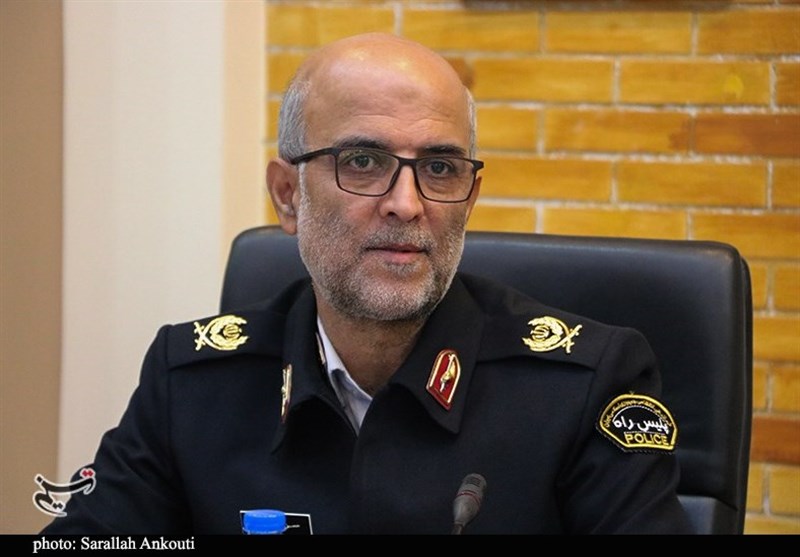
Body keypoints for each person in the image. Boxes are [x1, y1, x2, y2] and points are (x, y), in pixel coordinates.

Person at [41, 32, 694, 535]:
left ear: (469, 199)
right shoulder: (191, 384)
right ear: (287, 195)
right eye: (362, 161)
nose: (407, 204)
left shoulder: (582, 386)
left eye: (440, 168)